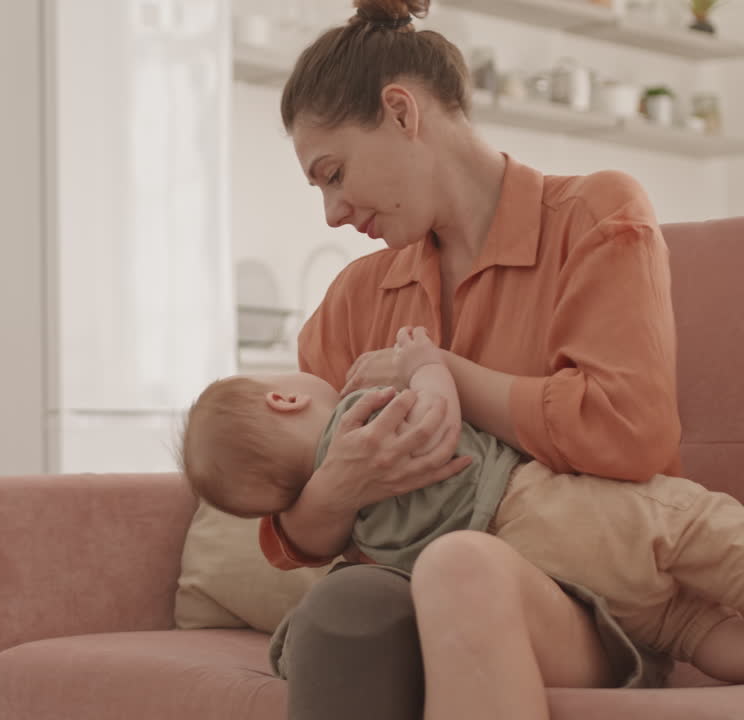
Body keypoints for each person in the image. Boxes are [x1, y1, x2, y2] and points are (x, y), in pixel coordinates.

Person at [257, 0, 742, 717]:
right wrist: (340, 484)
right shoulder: (354, 297)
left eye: (333, 174)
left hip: (595, 601)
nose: (332, 212)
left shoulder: (594, 215)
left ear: (401, 112)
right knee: (347, 607)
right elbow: (296, 524)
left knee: (456, 567)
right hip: (402, 592)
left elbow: (626, 432)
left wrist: (445, 372)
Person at [180, 326, 744, 687]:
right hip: (553, 514)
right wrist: (425, 366)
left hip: (546, 582)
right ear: (284, 399)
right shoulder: (362, 420)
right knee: (702, 530)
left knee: (689, 629)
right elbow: (437, 415)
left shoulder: (364, 532)